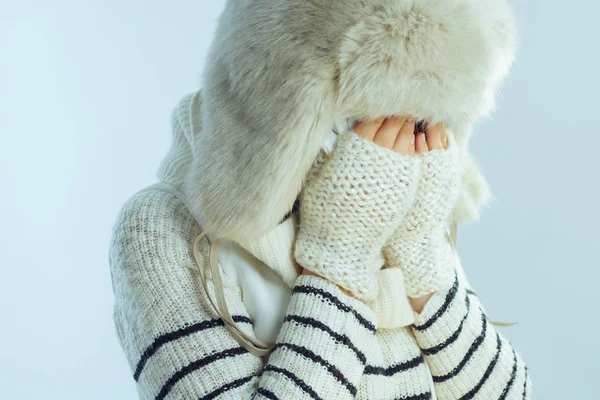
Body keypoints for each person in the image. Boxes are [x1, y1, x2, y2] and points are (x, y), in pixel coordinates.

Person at [109, 1, 531, 398]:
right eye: (376, 109)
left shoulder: (395, 190)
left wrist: (420, 253)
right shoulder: (159, 227)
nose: (401, 143)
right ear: (283, 99)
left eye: (422, 117)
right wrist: (340, 254)